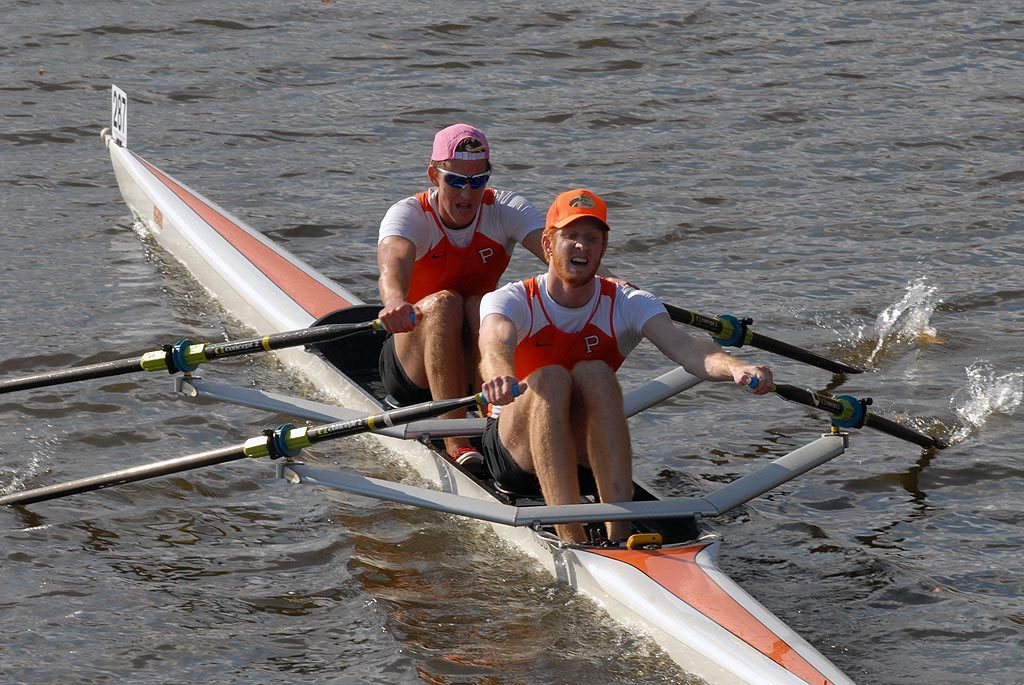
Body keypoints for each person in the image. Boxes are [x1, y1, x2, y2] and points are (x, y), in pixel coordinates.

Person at [478, 189, 774, 544]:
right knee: (553, 378)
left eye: (592, 239)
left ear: (603, 249)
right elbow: (494, 341)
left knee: (596, 373)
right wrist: (498, 372)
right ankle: (572, 539)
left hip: (581, 455)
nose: (581, 247)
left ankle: (618, 538)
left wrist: (737, 369)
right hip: (515, 456)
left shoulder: (630, 302)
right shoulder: (511, 298)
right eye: (570, 236)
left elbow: (687, 348)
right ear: (547, 243)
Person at [376, 124, 547, 466]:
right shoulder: (409, 215)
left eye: (477, 181)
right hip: (412, 367)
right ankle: (455, 439)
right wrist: (394, 301)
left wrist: (610, 283)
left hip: (472, 349)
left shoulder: (506, 208)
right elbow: (391, 268)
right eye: (455, 181)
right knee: (445, 303)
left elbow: (558, 255)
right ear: (433, 175)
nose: (467, 194)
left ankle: (498, 428)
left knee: (482, 305)